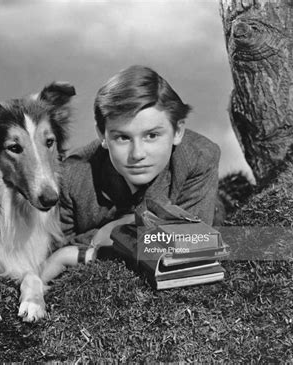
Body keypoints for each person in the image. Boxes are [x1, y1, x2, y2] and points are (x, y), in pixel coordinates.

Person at [40, 65, 220, 283]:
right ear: (102, 136)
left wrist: (107, 234)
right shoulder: (72, 175)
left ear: (178, 132)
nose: (137, 154)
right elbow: (54, 247)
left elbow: (192, 243)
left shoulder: (199, 157)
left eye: (152, 135)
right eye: (123, 138)